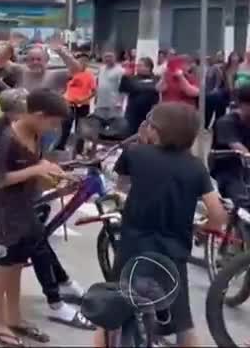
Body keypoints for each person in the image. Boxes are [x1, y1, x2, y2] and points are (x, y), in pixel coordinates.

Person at [94, 102, 227, 348]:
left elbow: (120, 186)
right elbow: (218, 214)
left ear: (156, 130)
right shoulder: (195, 166)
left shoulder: (136, 154)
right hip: (172, 254)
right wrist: (204, 226)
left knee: (108, 315)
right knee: (183, 324)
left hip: (132, 247)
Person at [0, 88, 92, 331]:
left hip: (24, 211)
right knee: (2, 269)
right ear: (38, 115)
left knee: (16, 266)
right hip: (3, 214)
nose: (53, 129)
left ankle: (14, 318)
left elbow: (35, 167)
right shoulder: (8, 138)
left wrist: (54, 175)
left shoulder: (35, 135)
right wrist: (36, 170)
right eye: (52, 123)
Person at [211, 83, 250, 208]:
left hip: (246, 172)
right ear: (243, 104)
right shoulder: (226, 123)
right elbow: (239, 148)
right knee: (244, 202)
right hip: (228, 172)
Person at [60, 53, 95, 154]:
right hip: (69, 104)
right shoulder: (71, 73)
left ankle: (78, 151)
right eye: (80, 61)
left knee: (81, 129)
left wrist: (84, 99)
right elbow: (63, 87)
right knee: (65, 126)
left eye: (85, 61)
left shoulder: (90, 75)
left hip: (83, 105)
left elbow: (94, 91)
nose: (82, 63)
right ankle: (61, 147)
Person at [118, 56, 160, 138]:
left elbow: (157, 89)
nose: (138, 68)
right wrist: (125, 77)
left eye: (140, 65)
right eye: (137, 65)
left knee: (146, 137)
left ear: (148, 67)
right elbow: (125, 89)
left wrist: (144, 88)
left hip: (149, 114)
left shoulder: (156, 79)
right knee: (129, 136)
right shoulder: (132, 78)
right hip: (132, 114)